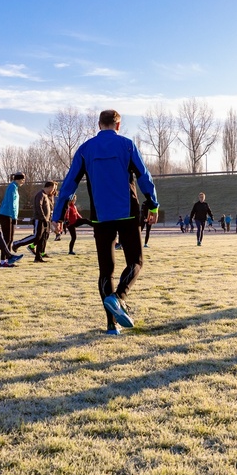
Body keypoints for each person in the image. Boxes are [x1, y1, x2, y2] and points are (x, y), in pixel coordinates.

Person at [52, 109, 159, 335]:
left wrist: (58, 215)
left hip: (101, 216)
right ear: (118, 125)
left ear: (99, 124)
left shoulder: (85, 149)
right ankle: (118, 297)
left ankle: (112, 325)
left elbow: (69, 183)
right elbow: (144, 176)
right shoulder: (127, 145)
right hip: (128, 213)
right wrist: (153, 203)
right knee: (136, 263)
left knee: (105, 270)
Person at [12, 181, 57, 262]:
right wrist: (43, 218)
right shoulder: (40, 194)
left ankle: (38, 257)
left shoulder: (46, 195)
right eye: (53, 188)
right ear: (49, 187)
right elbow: (38, 206)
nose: (53, 190)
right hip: (39, 219)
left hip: (45, 220)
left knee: (42, 239)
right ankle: (17, 243)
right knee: (36, 236)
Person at [0, 172, 26, 267]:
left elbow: (5, 201)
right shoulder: (12, 187)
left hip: (7, 214)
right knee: (7, 239)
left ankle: (7, 260)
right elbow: (11, 203)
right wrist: (14, 217)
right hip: (7, 215)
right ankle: (3, 261)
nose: (23, 181)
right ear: (19, 179)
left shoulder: (14, 187)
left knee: (10, 239)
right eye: (23, 179)